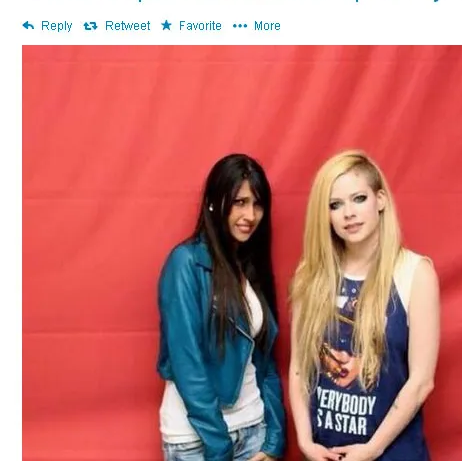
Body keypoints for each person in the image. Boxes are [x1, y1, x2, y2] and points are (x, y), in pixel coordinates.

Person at [289, 150, 440, 461]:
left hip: (393, 454)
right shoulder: (311, 274)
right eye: (335, 204)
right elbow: (299, 368)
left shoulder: (415, 272)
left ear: (380, 200)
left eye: (359, 199)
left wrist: (372, 449)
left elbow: (421, 382)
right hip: (325, 454)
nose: (348, 213)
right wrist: (305, 441)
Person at [157, 154, 285, 461]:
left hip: (253, 431)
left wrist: (274, 439)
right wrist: (219, 447)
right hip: (197, 441)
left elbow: (265, 360)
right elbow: (188, 364)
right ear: (214, 203)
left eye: (257, 204)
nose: (250, 215)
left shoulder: (250, 266)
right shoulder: (186, 263)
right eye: (239, 202)